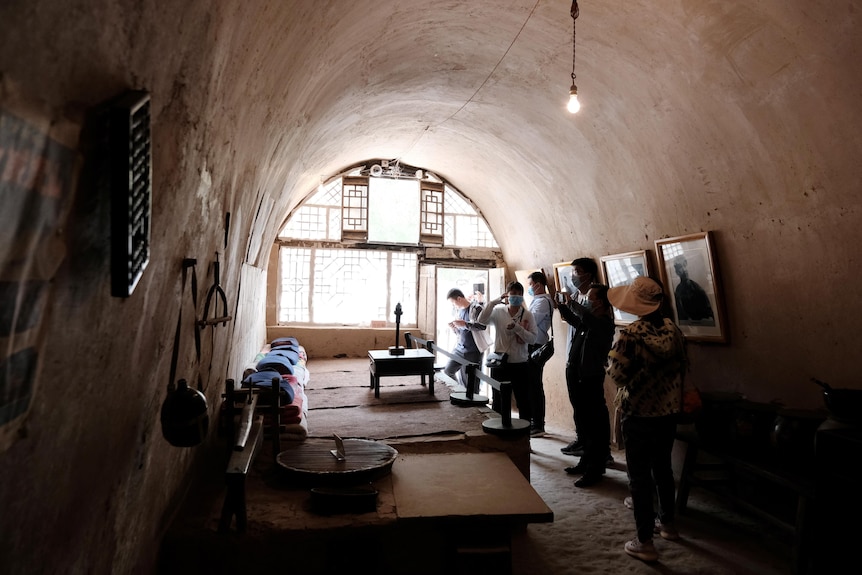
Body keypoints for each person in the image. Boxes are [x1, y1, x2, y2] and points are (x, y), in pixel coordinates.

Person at [606, 276, 688, 562]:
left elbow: (616, 375)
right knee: (663, 469)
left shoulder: (630, 334)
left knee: (638, 477)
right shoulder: (674, 331)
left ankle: (645, 541)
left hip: (639, 413)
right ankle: (668, 524)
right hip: (667, 413)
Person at [557, 282, 615, 487]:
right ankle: (585, 460)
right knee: (582, 420)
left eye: (589, 298)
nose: (586, 301)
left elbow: (585, 317)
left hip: (589, 377)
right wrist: (562, 306)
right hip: (576, 373)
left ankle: (595, 468)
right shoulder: (589, 321)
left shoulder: (603, 323)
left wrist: (571, 302)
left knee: (594, 424)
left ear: (599, 302)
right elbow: (576, 320)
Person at [476, 281, 537, 424]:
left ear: (522, 296)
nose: (515, 296)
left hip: (520, 363)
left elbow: (533, 339)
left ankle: (524, 435)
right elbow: (481, 320)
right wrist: (493, 302)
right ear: (507, 296)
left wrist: (517, 328)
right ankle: (499, 432)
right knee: (498, 399)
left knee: (523, 400)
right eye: (512, 294)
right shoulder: (498, 312)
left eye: (518, 294)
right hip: (500, 363)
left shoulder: (527, 315)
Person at [560, 257, 599, 456]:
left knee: (590, 407)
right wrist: (563, 306)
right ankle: (581, 439)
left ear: (589, 274)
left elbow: (587, 323)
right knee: (577, 403)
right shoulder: (575, 295)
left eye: (577, 271)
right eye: (573, 271)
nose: (573, 275)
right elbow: (575, 324)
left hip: (587, 360)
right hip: (573, 354)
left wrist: (571, 306)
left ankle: (594, 449)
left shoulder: (594, 297)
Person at [444, 288, 490, 394]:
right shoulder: (458, 311)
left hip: (473, 350)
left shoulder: (476, 308)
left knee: (471, 383)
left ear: (459, 298)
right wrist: (454, 328)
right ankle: (459, 394)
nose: (453, 305)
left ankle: (471, 406)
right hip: (459, 348)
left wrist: (465, 324)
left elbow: (482, 326)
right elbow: (460, 332)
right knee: (448, 371)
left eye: (453, 302)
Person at [526, 271, 555, 437]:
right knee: (531, 385)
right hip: (532, 344)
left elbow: (530, 322)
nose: (529, 288)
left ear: (538, 284)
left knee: (535, 385)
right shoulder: (536, 300)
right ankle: (533, 421)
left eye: (530, 284)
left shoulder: (543, 302)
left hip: (537, 345)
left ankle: (538, 424)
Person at [672, 255, 714, 323]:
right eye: (680, 267)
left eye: (684, 265)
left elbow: (708, 311)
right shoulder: (678, 290)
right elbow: (681, 314)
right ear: (677, 272)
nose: (684, 269)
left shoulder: (696, 287)